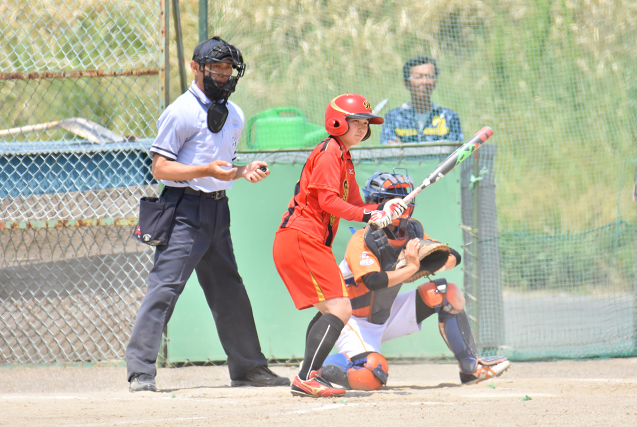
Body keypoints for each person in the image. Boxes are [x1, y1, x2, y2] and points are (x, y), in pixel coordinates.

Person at [126, 36, 289, 392]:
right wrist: (204, 171)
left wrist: (241, 172)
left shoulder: (235, 113)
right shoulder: (181, 111)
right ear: (196, 68)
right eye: (216, 68)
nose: (223, 75)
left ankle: (248, 368)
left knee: (229, 289)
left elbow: (223, 168)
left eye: (229, 69)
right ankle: (140, 370)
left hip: (218, 210)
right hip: (185, 210)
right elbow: (160, 168)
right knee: (165, 288)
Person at [316, 170, 511, 390]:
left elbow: (453, 256)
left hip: (385, 314)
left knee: (447, 292)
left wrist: (431, 261)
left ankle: (471, 367)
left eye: (404, 196)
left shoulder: (411, 230)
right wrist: (411, 268)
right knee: (370, 375)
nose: (401, 203)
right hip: (353, 322)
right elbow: (373, 281)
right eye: (392, 197)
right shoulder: (363, 238)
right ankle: (318, 366)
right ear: (375, 203)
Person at [272, 94, 408, 398]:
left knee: (328, 310)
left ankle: (310, 374)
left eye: (365, 124)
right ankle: (306, 377)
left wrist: (385, 208)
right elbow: (329, 202)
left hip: (308, 240)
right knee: (340, 306)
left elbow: (357, 204)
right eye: (355, 122)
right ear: (337, 122)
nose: (361, 128)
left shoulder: (344, 156)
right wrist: (371, 213)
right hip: (301, 237)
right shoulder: (329, 153)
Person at [380, 56, 463, 144]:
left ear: (435, 82)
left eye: (429, 76)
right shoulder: (393, 117)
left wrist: (404, 149)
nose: (424, 82)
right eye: (418, 77)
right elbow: (390, 149)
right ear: (406, 83)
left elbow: (456, 152)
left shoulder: (449, 118)